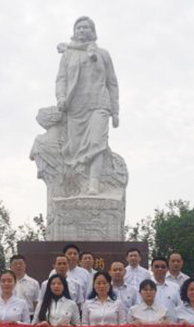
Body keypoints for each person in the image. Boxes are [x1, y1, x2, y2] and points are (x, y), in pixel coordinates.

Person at [55, 16, 119, 195]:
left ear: (93, 31)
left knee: (96, 142)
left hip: (99, 104)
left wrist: (115, 111)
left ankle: (94, 183)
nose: (82, 30)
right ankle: (78, 185)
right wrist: (61, 97)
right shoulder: (68, 54)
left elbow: (112, 83)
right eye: (78, 28)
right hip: (76, 107)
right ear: (74, 32)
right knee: (75, 148)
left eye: (85, 27)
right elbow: (61, 79)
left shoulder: (103, 54)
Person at [10, 254, 40, 321]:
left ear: (25, 265)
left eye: (21, 264)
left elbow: (36, 303)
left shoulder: (34, 283)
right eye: (15, 264)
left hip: (29, 315)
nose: (18, 266)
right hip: (10, 316)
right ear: (10, 266)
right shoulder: (6, 283)